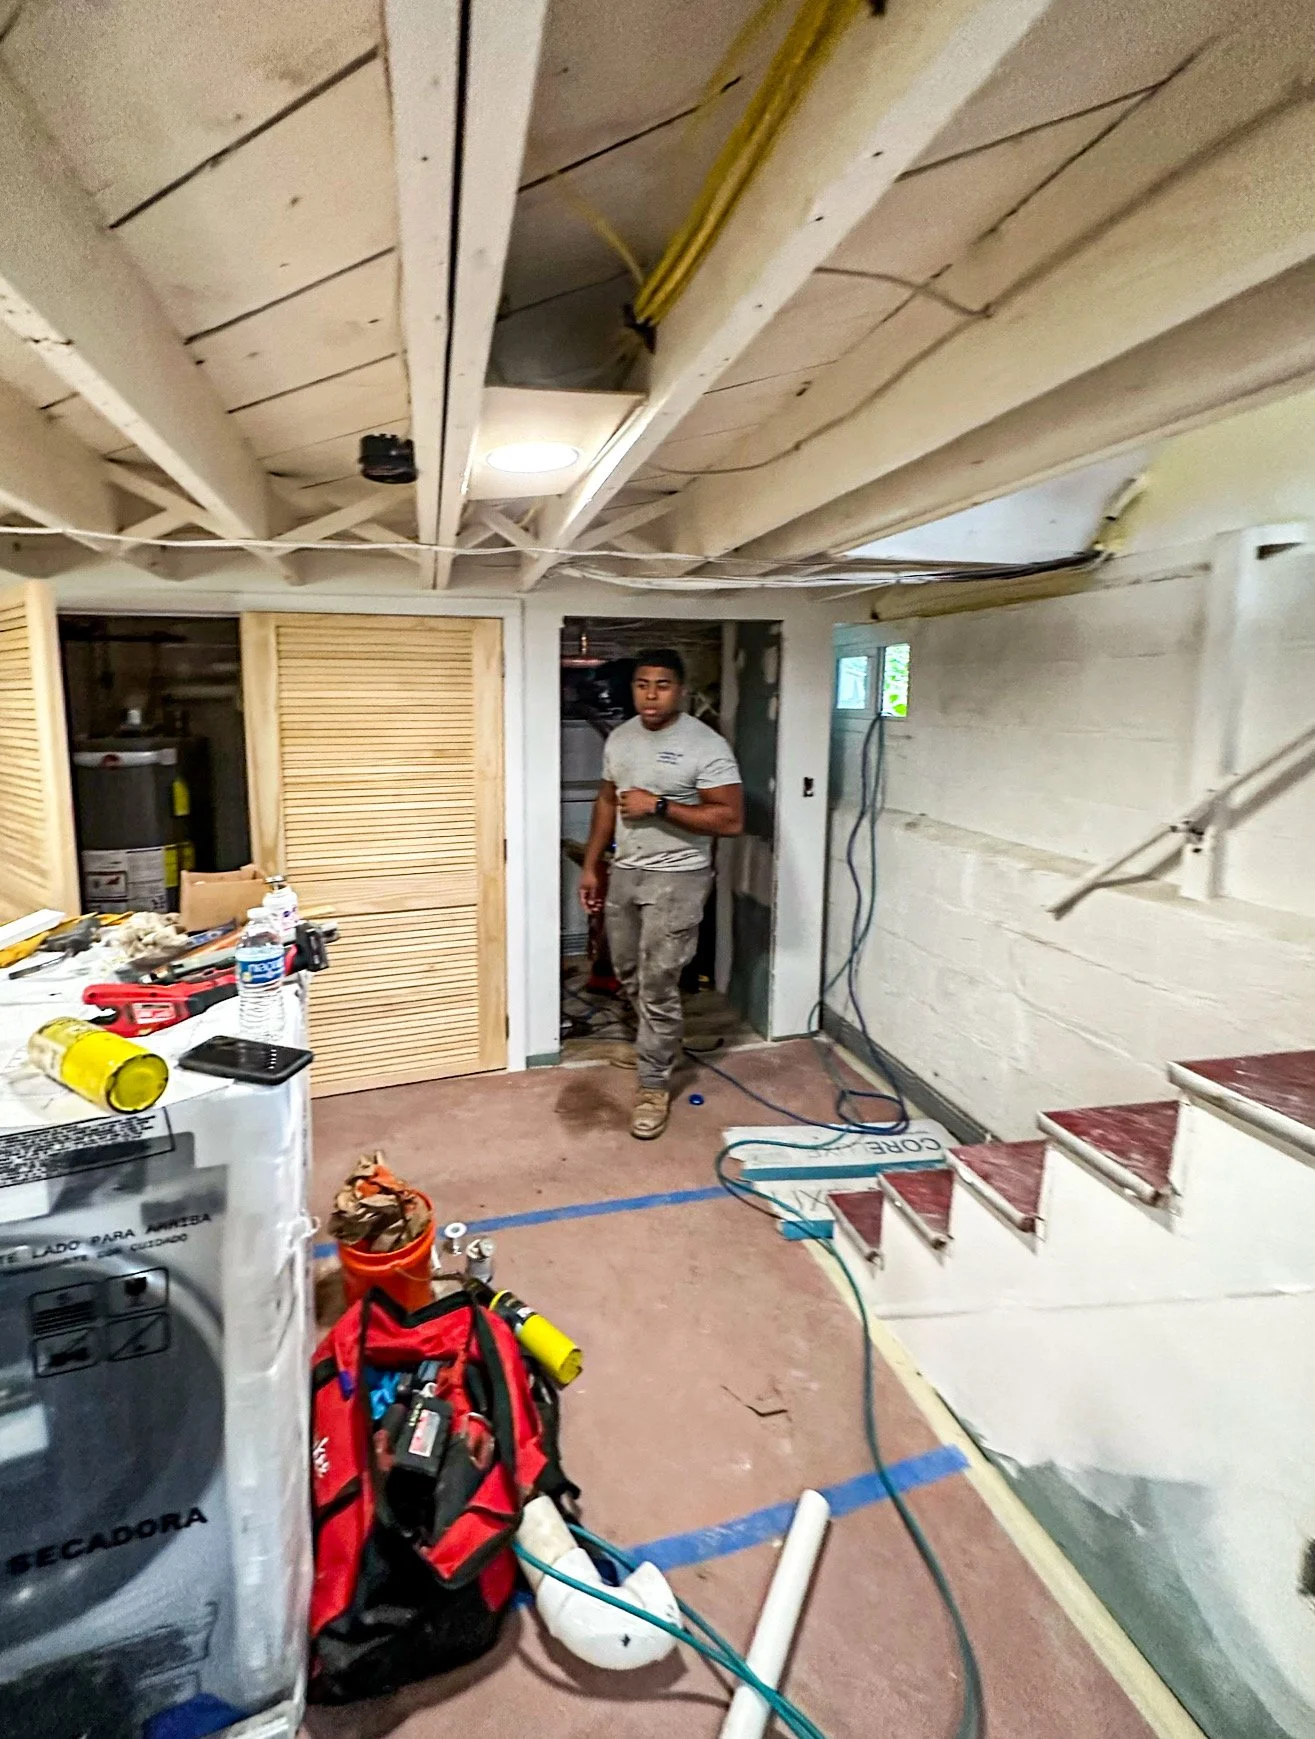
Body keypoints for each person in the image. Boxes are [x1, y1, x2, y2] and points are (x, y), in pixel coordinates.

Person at [578, 649, 743, 1140]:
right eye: (642, 684)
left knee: (658, 982)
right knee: (627, 972)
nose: (651, 695)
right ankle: (654, 1040)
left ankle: (653, 1084)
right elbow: (608, 800)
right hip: (626, 870)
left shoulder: (705, 745)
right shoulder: (623, 738)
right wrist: (591, 866)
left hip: (680, 877)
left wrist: (662, 806)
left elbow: (730, 820)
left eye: (663, 685)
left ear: (682, 690)